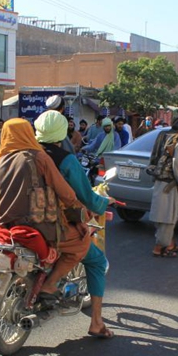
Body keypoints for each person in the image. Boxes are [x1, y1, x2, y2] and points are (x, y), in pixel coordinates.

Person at [0, 117, 83, 303]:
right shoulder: (39, 157)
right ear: (29, 134)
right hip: (39, 228)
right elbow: (66, 193)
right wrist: (79, 208)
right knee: (81, 244)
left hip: (4, 229)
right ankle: (50, 285)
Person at [35, 110, 114, 338]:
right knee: (97, 261)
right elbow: (85, 196)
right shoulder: (65, 160)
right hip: (53, 225)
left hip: (18, 222)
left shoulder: (22, 154)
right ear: (63, 132)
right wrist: (103, 203)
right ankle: (97, 322)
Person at [148, 112, 178, 258]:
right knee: (168, 217)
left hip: (159, 181)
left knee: (160, 214)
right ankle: (159, 247)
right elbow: (177, 162)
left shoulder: (162, 135)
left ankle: (170, 243)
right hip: (170, 184)